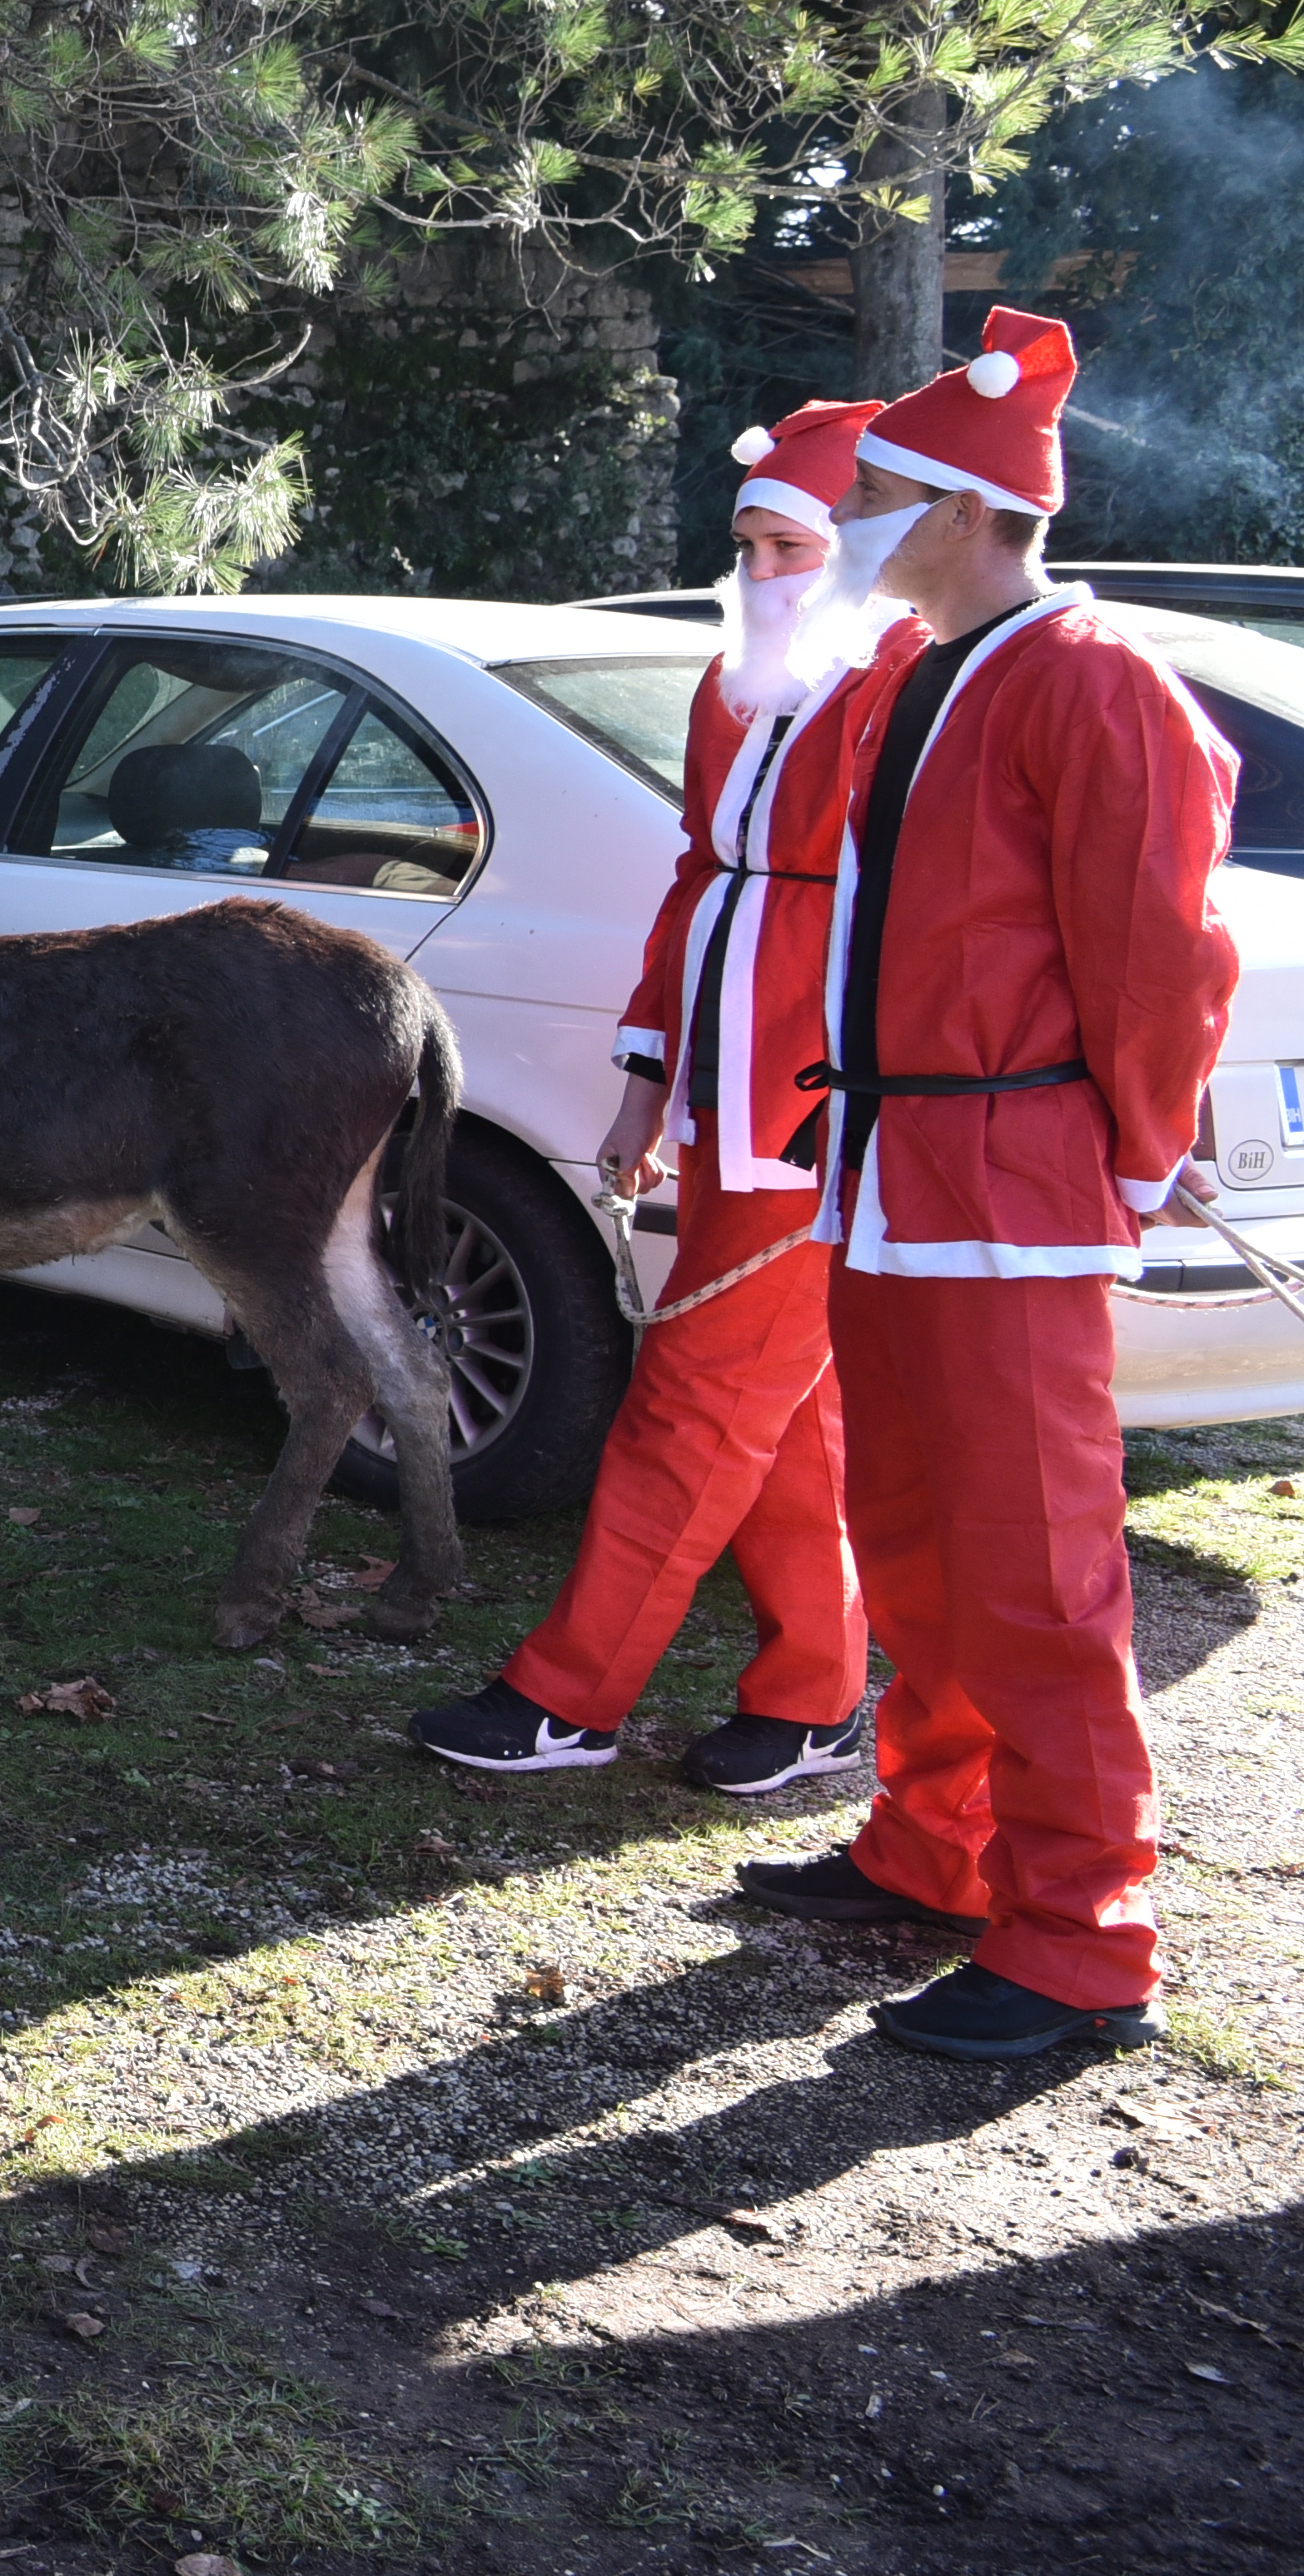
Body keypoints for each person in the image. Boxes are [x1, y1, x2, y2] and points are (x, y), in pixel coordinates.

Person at [747, 311, 1237, 2062]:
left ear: (962, 508)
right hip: (892, 1166)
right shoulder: (922, 670)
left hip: (1003, 1178)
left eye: (879, 490)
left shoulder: (1092, 676)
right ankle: (935, 1846)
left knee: (1033, 1573)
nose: (856, 512)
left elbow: (1155, 945)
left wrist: (1141, 1143)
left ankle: (1081, 1939)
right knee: (916, 1540)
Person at [412, 400, 912, 1789]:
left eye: (788, 549)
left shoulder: (904, 689)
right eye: (746, 547)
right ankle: (816, 1688)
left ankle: (572, 1694)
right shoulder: (729, 687)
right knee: (777, 1400)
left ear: (861, 549)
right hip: (733, 1098)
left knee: (693, 1393)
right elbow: (699, 880)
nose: (758, 578)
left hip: (822, 1106)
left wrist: (856, 1094)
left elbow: (919, 919)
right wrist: (649, 1082)